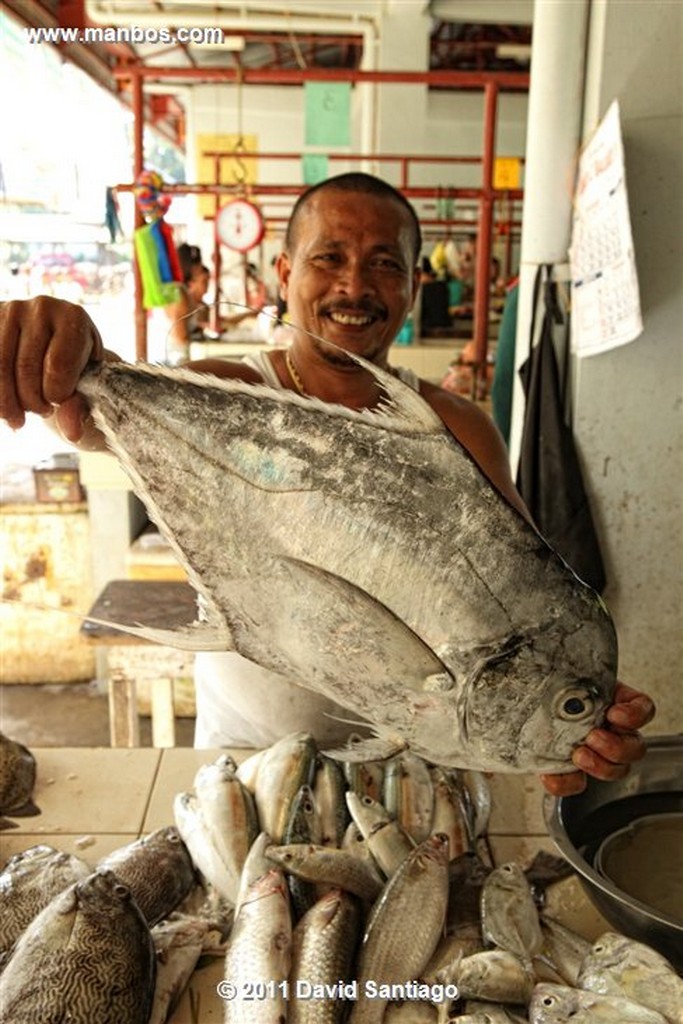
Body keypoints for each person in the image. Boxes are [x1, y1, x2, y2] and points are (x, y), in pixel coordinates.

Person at [0, 172, 655, 796]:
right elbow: (94, 413)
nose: (354, 285)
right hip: (248, 759)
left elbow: (517, 597)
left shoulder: (460, 428)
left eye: (383, 263)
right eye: (328, 258)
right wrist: (61, 343)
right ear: (285, 273)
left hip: (421, 770)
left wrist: (561, 714)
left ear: (410, 283)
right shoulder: (231, 387)